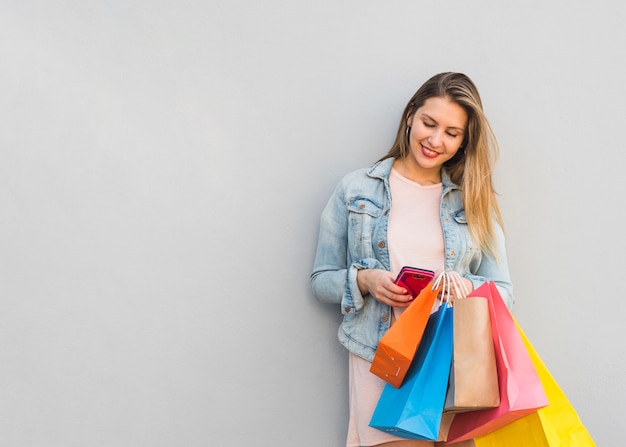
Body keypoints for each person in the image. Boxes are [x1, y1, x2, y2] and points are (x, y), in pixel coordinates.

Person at [310, 72, 514, 447]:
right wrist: (365, 280)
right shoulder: (356, 189)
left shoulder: (474, 202)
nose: (436, 140)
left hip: (454, 363)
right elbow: (321, 279)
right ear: (410, 117)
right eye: (429, 123)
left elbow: (504, 293)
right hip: (381, 358)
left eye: (452, 133)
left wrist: (465, 285)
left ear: (464, 141)